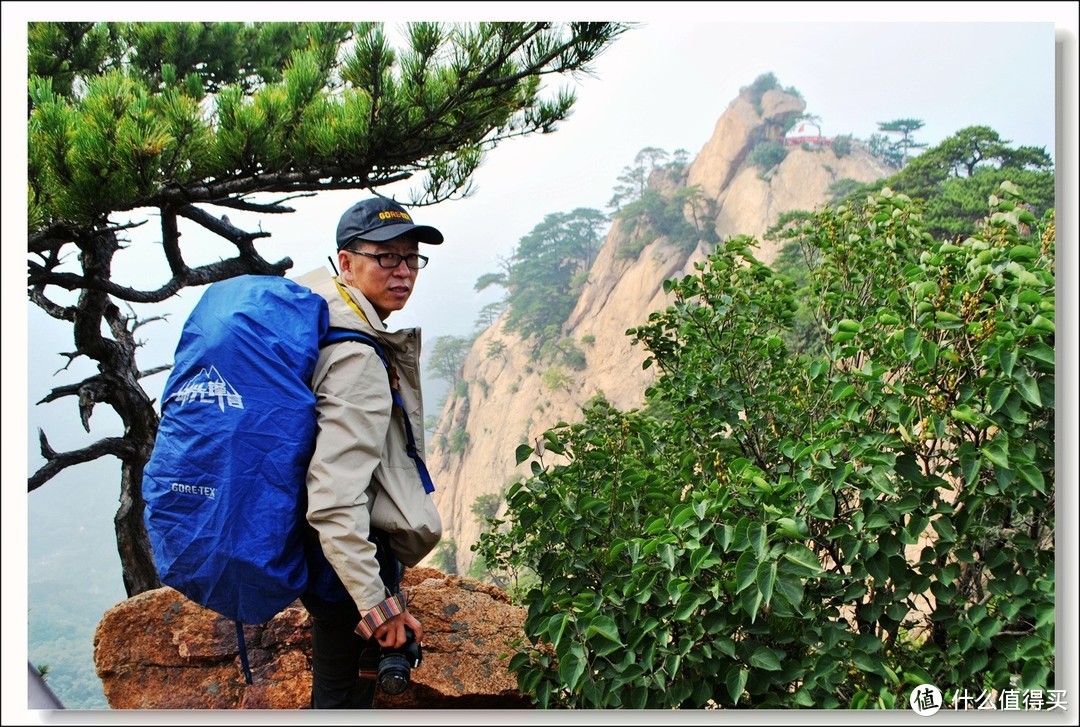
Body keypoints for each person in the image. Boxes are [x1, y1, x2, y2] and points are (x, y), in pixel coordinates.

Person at [293, 197, 444, 709]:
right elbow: (335, 500)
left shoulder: (333, 324)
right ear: (346, 262)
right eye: (385, 257)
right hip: (344, 568)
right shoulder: (357, 357)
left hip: (332, 561)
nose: (402, 272)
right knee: (341, 704)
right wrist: (378, 608)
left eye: (411, 257)